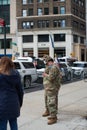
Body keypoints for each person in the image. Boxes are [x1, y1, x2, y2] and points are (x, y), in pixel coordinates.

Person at [0, 56, 24, 130]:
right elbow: (20, 91)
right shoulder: (16, 74)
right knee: (14, 123)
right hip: (14, 103)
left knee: (2, 124)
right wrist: (20, 103)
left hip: (2, 104)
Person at [42, 56, 61, 125]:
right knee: (50, 101)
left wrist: (45, 75)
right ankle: (52, 115)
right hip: (50, 87)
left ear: (50, 62)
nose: (46, 65)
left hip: (52, 88)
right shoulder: (52, 67)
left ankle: (53, 117)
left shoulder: (53, 68)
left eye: (47, 63)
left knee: (51, 102)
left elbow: (51, 78)